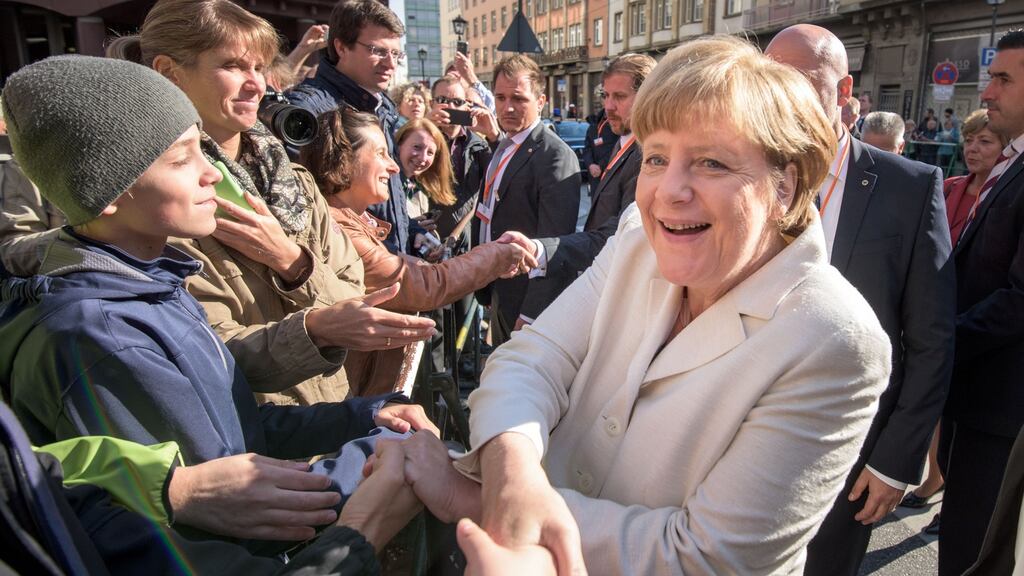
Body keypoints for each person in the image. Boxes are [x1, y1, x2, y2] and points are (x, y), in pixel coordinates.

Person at [391, 35, 892, 574]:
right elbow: (532, 358)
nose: (667, 191)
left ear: (786, 186)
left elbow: (708, 558)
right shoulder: (639, 236)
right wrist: (511, 477)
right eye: (656, 157)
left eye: (712, 163)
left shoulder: (835, 340)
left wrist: (473, 498)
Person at [0, 54, 432, 553]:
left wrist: (365, 418)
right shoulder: (103, 337)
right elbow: (221, 528)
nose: (212, 174)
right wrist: (378, 479)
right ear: (107, 190)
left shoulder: (153, 285)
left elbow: (235, 427)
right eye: (183, 158)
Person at [106, 0, 437, 406]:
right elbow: (200, 351)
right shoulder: (151, 202)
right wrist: (317, 329)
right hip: (251, 440)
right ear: (168, 72)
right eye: (232, 66)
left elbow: (353, 289)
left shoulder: (291, 180)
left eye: (259, 68)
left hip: (326, 416)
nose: (255, 84)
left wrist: (293, 262)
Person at [766, 24, 956, 576]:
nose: (785, 98)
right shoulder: (747, 175)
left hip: (848, 451)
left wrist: (897, 460)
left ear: (845, 90)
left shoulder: (911, 188)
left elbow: (931, 339)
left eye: (802, 82)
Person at [301, 108, 536, 396]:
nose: (394, 167)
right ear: (343, 161)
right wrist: (498, 255)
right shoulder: (340, 230)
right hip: (359, 397)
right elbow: (427, 286)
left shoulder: (349, 219)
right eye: (380, 154)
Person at [899, 108, 1008, 535]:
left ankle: (946, 492)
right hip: (941, 312)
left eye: (986, 142)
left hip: (980, 322)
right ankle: (934, 479)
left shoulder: (1004, 194)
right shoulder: (948, 187)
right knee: (937, 407)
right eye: (969, 141)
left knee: (963, 420)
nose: (974, 149)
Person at [940, 29, 1024, 576]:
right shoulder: (1011, 164)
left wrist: (936, 343)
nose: (986, 92)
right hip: (979, 401)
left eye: (1003, 79)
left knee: (975, 555)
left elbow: (1020, 299)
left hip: (1003, 412)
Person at [500, 53, 655, 284]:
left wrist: (539, 250)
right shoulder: (622, 140)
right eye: (606, 95)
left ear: (648, 97)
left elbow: (619, 234)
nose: (608, 107)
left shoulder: (647, 156)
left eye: (620, 97)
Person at [288, 0, 425, 255]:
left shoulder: (383, 106)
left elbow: (387, 197)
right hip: (350, 272)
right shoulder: (309, 111)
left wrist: (414, 233)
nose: (391, 64)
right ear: (341, 47)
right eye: (378, 50)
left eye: (395, 54)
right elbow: (303, 209)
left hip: (391, 262)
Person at [474, 54, 581, 344]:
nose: (507, 107)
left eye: (519, 99)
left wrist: (532, 313)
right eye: (500, 97)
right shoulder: (504, 145)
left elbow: (556, 243)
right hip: (498, 286)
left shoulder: (554, 156)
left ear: (541, 101)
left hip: (524, 299)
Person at [428, 74, 498, 254]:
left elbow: (501, 179)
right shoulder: (419, 140)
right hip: (429, 239)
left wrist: (494, 137)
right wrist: (424, 127)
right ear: (431, 104)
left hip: (467, 240)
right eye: (443, 100)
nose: (450, 107)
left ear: (467, 107)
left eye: (458, 102)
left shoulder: (479, 145)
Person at [395, 118, 454, 228]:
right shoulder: (383, 183)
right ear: (399, 144)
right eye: (417, 147)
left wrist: (417, 231)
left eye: (430, 153)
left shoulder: (419, 192)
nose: (423, 158)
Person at [581, 106, 616, 180]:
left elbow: (617, 149)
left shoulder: (617, 125)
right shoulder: (594, 124)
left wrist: (601, 166)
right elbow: (587, 148)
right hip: (594, 174)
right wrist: (590, 164)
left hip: (611, 174)